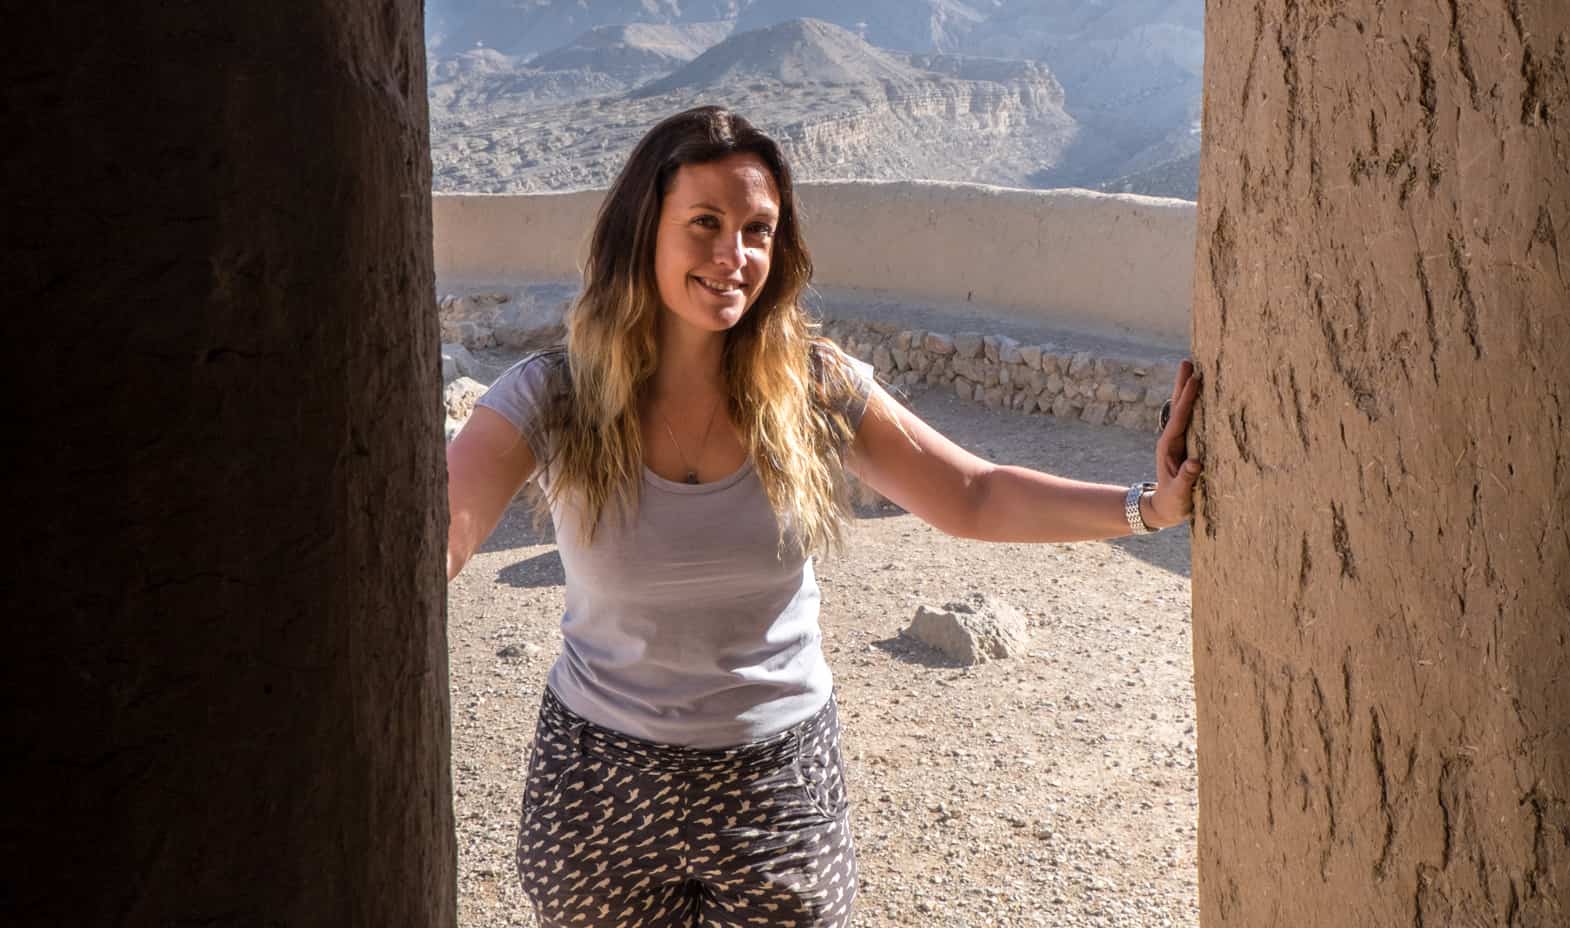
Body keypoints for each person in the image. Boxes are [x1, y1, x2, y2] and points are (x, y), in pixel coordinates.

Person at [445, 105, 1200, 928]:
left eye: (757, 229)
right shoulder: (555, 394)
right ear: (643, 232)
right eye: (704, 223)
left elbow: (972, 495)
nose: (733, 256)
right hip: (601, 781)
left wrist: (1148, 508)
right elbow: (446, 521)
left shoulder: (814, 386)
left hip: (777, 777)